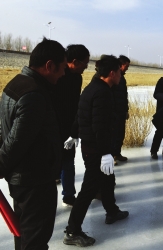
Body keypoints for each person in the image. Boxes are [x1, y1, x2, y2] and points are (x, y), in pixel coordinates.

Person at [0, 38, 66, 250]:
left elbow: (3, 129)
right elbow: (14, 142)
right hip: (34, 183)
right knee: (34, 242)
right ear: (49, 65)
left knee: (25, 236)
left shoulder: (16, 83)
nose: (63, 74)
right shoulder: (34, 94)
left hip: (23, 181)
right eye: (61, 68)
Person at [63, 55, 128, 247]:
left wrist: (73, 134)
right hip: (95, 148)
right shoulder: (103, 93)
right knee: (89, 189)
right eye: (119, 72)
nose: (121, 76)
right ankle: (72, 231)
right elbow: (101, 126)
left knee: (107, 178)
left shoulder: (91, 88)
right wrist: (106, 153)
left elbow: (80, 113)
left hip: (91, 146)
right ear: (111, 73)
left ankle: (112, 211)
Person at [55, 44, 90, 208]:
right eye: (85, 63)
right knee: (53, 162)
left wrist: (76, 128)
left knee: (68, 162)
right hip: (54, 126)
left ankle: (68, 195)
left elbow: (76, 103)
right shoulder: (57, 74)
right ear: (74, 61)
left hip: (69, 127)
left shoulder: (77, 77)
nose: (86, 67)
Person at [112, 55, 130, 165]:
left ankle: (117, 153)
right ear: (120, 65)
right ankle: (112, 156)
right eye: (126, 66)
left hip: (121, 111)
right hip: (113, 112)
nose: (127, 68)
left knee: (120, 134)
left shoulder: (122, 78)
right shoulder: (114, 76)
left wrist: (126, 110)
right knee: (113, 135)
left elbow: (124, 96)